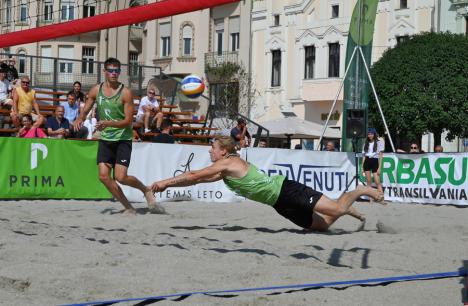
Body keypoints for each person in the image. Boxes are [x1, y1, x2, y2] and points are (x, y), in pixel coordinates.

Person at [150, 136, 385, 231]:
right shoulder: (223, 171)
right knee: (322, 226)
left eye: (212, 148)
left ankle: (362, 190)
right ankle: (347, 208)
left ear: (223, 151)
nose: (210, 151)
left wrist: (165, 182)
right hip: (279, 203)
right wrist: (170, 186)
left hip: (287, 190)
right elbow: (194, 182)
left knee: (335, 209)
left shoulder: (228, 163)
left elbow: (193, 175)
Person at [73, 57, 164, 214]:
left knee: (121, 177)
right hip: (106, 138)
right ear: (105, 72)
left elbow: (128, 121)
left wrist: (107, 123)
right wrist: (80, 118)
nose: (114, 73)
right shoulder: (96, 90)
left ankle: (146, 190)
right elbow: (86, 108)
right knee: (103, 176)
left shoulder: (126, 93)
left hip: (122, 138)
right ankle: (128, 207)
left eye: (117, 71)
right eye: (111, 70)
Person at [362, 128, 384, 194]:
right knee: (368, 182)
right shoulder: (365, 143)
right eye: (369, 134)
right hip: (367, 161)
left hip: (374, 160)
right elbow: (364, 156)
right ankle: (370, 199)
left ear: (374, 134)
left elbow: (380, 156)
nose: (370, 135)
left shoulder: (379, 142)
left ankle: (381, 197)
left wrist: (379, 168)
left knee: (377, 181)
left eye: (371, 134)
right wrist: (362, 167)